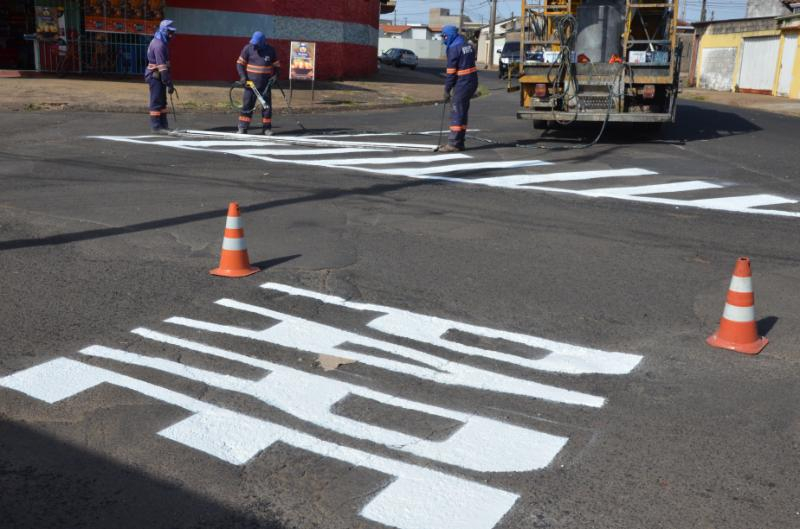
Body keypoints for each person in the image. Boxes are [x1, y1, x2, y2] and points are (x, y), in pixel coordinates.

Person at [439, 25, 478, 152]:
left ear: (449, 35)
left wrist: (446, 90)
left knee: (456, 110)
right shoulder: (467, 45)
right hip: (471, 81)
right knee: (462, 111)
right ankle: (460, 142)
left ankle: (454, 144)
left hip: (463, 82)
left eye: (444, 36)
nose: (443, 39)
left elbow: (451, 72)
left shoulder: (454, 48)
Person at [236, 31, 280, 135]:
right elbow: (239, 64)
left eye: (256, 43)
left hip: (265, 86)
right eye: (253, 42)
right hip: (250, 85)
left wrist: (275, 76)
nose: (254, 45)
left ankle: (266, 129)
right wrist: (243, 77)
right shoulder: (248, 48)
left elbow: (277, 66)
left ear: (262, 42)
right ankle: (243, 128)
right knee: (247, 106)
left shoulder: (271, 50)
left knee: (266, 107)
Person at [144, 19, 176, 132]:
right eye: (169, 32)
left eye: (172, 32)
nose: (171, 35)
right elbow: (162, 67)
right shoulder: (159, 45)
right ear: (163, 31)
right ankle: (156, 127)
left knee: (162, 102)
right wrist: (169, 83)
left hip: (158, 76)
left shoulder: (161, 42)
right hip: (155, 76)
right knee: (156, 101)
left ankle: (164, 125)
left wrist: (167, 81)